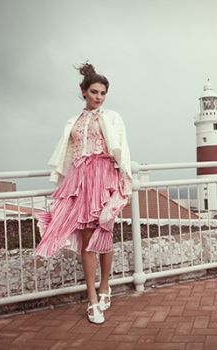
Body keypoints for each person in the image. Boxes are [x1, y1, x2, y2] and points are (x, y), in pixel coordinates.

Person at [34, 62, 132, 324]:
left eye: (103, 93)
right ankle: (91, 298)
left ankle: (105, 285)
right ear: (84, 92)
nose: (99, 97)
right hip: (80, 180)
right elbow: (67, 153)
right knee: (87, 236)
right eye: (94, 92)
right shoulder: (73, 120)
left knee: (105, 231)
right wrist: (62, 179)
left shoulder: (112, 117)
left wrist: (124, 179)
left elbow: (122, 148)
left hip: (105, 177)